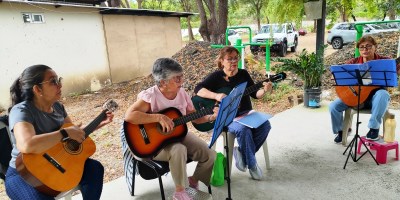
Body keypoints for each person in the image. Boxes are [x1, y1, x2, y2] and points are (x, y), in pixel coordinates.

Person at [5, 65, 114, 200]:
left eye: (59, 80)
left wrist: (96, 125)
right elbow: (27, 144)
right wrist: (65, 132)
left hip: (55, 167)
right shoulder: (21, 110)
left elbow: (71, 138)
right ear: (37, 89)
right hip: (24, 175)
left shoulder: (58, 107)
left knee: (95, 169)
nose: (60, 85)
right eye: (53, 81)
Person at [124, 58, 217, 200]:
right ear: (163, 82)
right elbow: (129, 115)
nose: (182, 81)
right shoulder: (150, 96)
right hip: (152, 144)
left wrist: (211, 117)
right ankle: (180, 192)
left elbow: (193, 116)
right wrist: (158, 118)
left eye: (181, 77)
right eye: (177, 79)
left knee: (209, 154)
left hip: (177, 135)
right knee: (179, 149)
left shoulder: (182, 93)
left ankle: (193, 181)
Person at [194, 46, 273, 180]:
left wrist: (265, 90)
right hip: (228, 117)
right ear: (222, 61)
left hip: (246, 114)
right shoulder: (216, 76)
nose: (233, 61)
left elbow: (255, 94)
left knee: (265, 125)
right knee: (244, 130)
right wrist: (216, 96)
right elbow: (198, 89)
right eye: (229, 59)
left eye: (235, 58)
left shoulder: (243, 74)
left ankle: (242, 153)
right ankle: (252, 165)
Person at [329, 35, 400, 143]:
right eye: (361, 47)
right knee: (334, 106)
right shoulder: (354, 62)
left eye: (368, 46)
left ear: (375, 47)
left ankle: (373, 129)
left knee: (383, 94)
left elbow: (395, 72)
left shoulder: (384, 61)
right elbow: (340, 75)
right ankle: (342, 130)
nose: (365, 49)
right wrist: (336, 76)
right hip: (355, 97)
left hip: (375, 100)